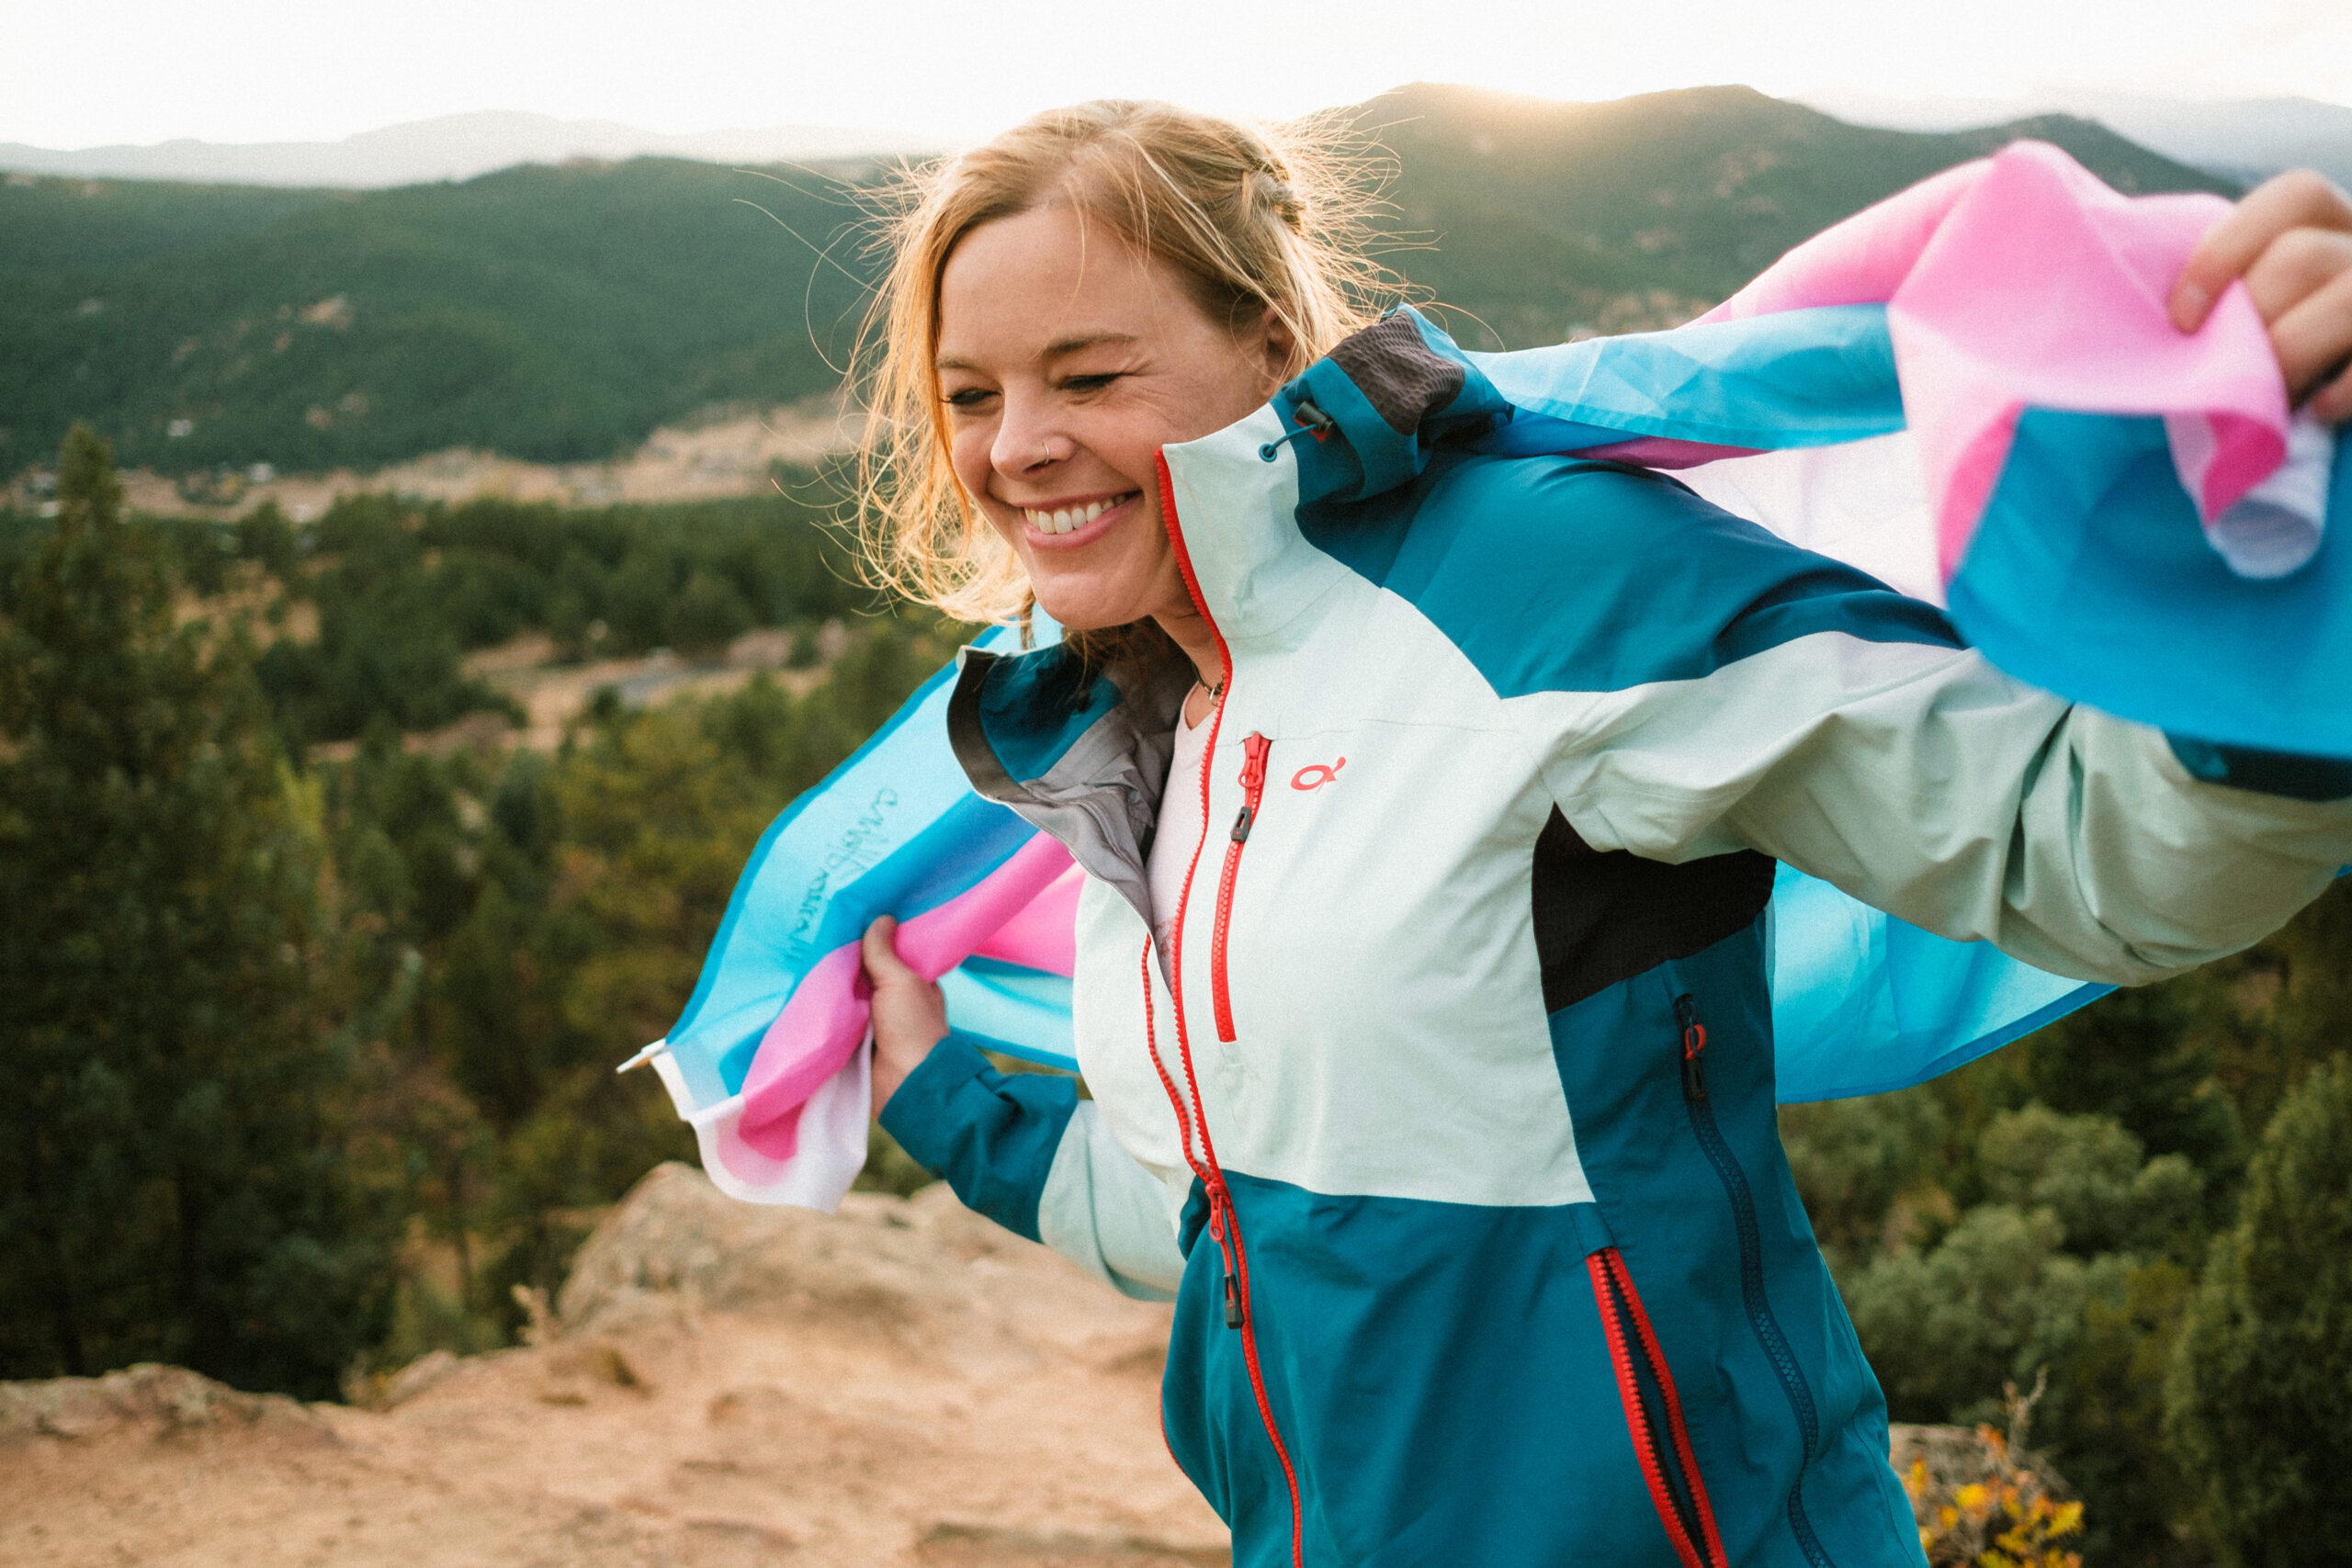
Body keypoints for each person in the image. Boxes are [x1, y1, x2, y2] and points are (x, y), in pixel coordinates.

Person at [844, 99, 2352, 1567]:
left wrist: (2293, 574)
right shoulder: (1136, 737)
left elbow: (2078, 845)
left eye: (1088, 377)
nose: (1018, 445)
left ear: (1265, 345)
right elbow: (1222, 1213)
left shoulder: (1546, 578)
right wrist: (942, 1100)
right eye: (971, 395)